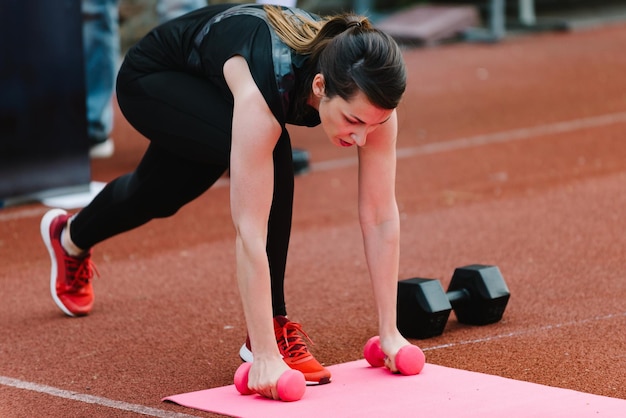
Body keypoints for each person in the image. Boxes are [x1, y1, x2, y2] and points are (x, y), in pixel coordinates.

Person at [41, 3, 417, 399]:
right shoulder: (265, 87)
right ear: (320, 86)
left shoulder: (373, 103)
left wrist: (390, 333)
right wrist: (267, 359)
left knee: (158, 193)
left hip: (214, 84)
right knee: (271, 153)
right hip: (154, 78)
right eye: (354, 123)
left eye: (373, 125)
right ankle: (269, 330)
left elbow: (379, 216)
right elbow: (249, 230)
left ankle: (69, 236)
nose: (362, 138)